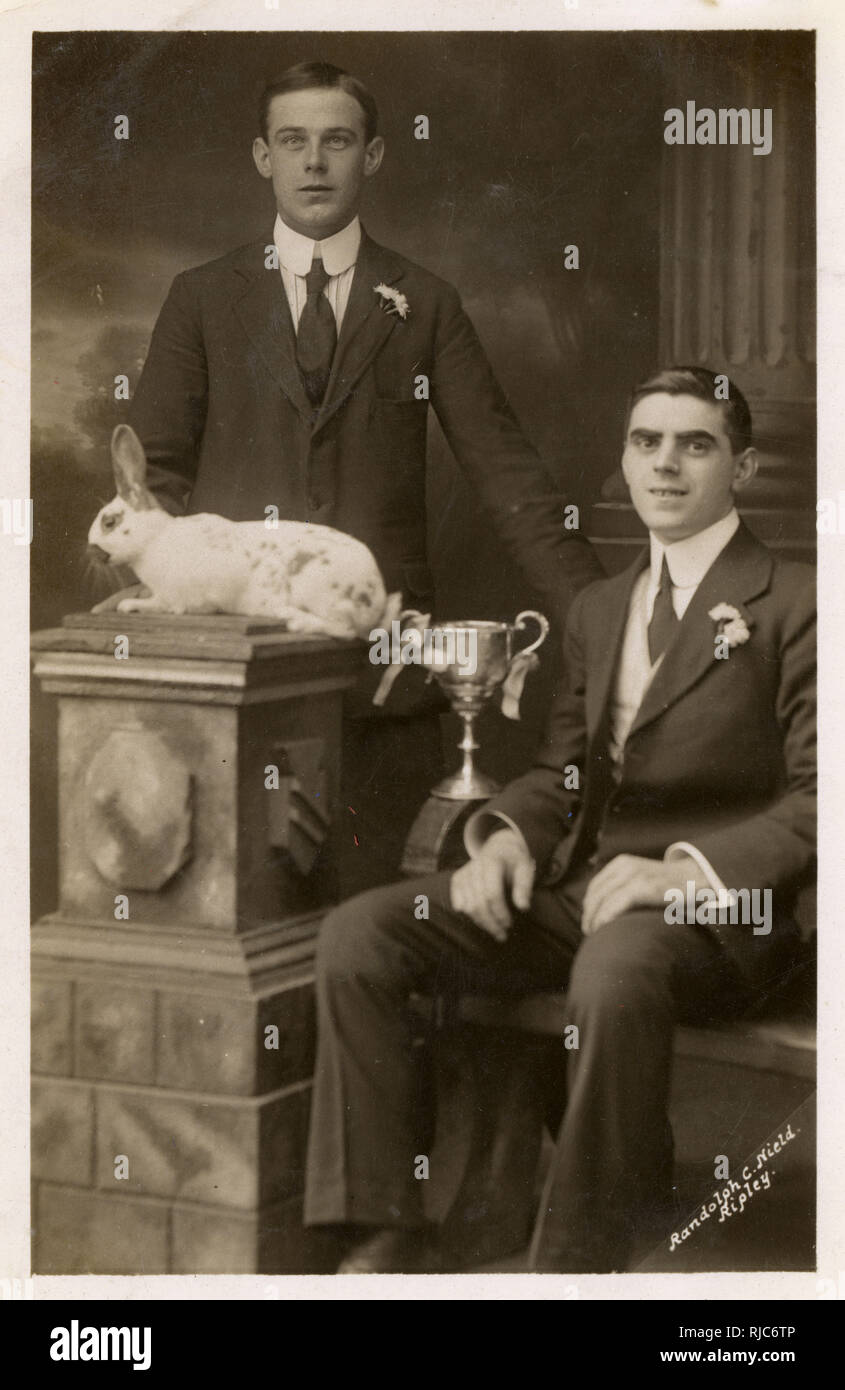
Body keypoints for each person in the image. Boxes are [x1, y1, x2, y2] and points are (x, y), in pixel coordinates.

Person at [303, 366, 816, 1273]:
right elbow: (566, 770)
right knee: (364, 935)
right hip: (587, 889)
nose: (664, 464)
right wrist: (501, 839)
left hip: (735, 913)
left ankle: (577, 1260)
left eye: (695, 444)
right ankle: (378, 1222)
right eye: (644, 441)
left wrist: (683, 874)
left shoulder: (802, 603)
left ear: (739, 467)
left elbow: (826, 796)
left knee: (619, 962)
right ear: (623, 459)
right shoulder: (600, 605)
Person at [100, 60, 603, 893]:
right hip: (237, 673)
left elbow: (504, 469)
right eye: (292, 142)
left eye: (336, 141)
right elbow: (151, 477)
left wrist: (603, 619)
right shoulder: (201, 298)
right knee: (245, 934)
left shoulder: (425, 301)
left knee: (374, 925)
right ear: (263, 158)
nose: (314, 163)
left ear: (373, 156)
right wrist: (159, 595)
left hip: (385, 673)